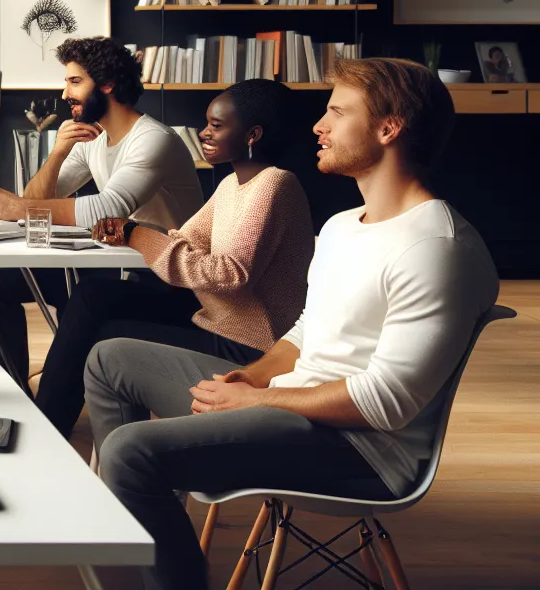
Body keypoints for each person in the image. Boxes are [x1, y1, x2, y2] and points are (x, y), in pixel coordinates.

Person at [87, 58, 499, 590]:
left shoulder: (436, 248)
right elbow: (305, 334)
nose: (317, 127)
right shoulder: (344, 226)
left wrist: (258, 402)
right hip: (291, 404)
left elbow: (386, 403)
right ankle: (146, 542)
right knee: (110, 358)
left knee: (128, 451)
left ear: (388, 128)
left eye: (336, 112)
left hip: (359, 447)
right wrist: (250, 379)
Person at [29, 79, 316, 437]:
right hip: (216, 317)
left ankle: (59, 430)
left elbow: (230, 273)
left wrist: (135, 234)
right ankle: (48, 422)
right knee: (94, 295)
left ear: (252, 134)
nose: (203, 133)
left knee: (106, 334)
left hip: (249, 342)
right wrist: (134, 232)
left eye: (216, 125)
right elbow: (184, 239)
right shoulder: (232, 185)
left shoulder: (275, 185)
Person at [0, 37, 206, 386]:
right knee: (1, 283)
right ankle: (11, 390)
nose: (65, 93)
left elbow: (109, 208)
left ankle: (57, 401)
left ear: (108, 84)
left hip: (165, 275)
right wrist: (57, 154)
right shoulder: (93, 139)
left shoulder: (152, 139)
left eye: (74, 81)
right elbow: (37, 198)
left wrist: (19, 208)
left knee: (82, 296)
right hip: (119, 263)